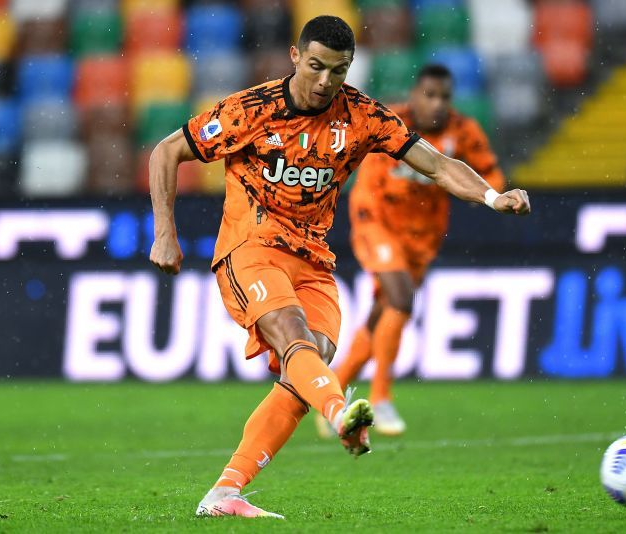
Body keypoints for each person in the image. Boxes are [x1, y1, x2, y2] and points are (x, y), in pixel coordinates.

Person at [148, 15, 531, 520]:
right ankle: (341, 413)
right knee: (292, 337)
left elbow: (437, 165)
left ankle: (225, 493)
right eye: (316, 66)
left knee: (309, 364)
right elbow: (167, 150)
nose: (326, 82)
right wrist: (164, 232)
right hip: (251, 247)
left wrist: (491, 194)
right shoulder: (250, 109)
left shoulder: (363, 116)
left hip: (313, 261)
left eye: (339, 70)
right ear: (294, 56)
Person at [317, 64, 506, 437]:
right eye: (429, 95)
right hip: (378, 223)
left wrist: (490, 197)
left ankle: (330, 395)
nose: (437, 105)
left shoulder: (464, 131)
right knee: (401, 299)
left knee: (383, 314)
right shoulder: (390, 123)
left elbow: (492, 175)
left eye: (444, 97)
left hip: (423, 236)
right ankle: (382, 398)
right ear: (414, 95)